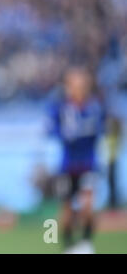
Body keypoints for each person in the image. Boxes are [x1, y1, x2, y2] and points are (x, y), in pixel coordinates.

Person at [47, 66, 106, 254]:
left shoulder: (95, 107)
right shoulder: (62, 107)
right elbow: (51, 129)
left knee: (88, 206)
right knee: (67, 210)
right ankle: (69, 246)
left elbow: (102, 129)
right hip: (67, 165)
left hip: (88, 163)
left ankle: (86, 243)